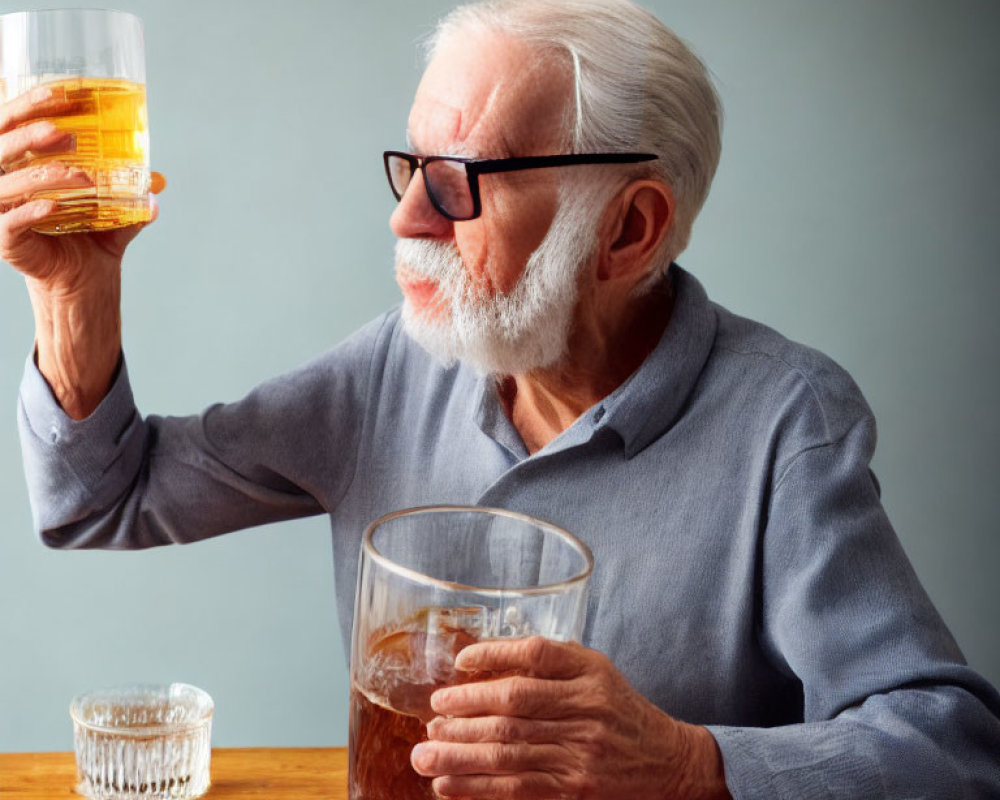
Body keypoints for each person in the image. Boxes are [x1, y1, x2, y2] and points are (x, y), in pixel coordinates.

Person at [3, 0, 999, 797]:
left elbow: (953, 750)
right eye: (410, 169)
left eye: (456, 182)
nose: (404, 217)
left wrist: (691, 765)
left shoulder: (788, 422)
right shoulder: (398, 363)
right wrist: (72, 288)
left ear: (629, 230)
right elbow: (103, 497)